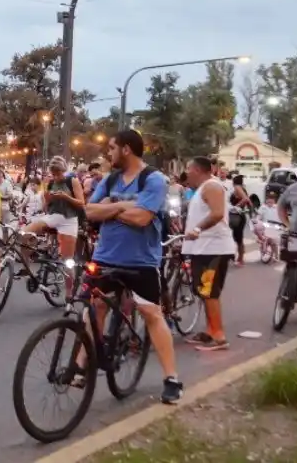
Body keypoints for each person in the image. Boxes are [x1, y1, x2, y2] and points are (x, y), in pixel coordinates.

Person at [84, 129, 183, 404]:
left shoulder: (153, 179)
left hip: (141, 261)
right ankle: (81, 364)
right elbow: (89, 211)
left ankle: (171, 378)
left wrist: (111, 207)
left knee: (151, 312)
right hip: (105, 255)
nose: (108, 153)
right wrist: (124, 205)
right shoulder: (110, 178)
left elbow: (142, 219)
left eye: (112, 147)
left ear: (126, 149)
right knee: (95, 307)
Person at [182, 157, 235, 351]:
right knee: (205, 291)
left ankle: (219, 337)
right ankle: (210, 331)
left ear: (197, 169)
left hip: (213, 249)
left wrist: (197, 228)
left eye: (188, 169)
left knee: (209, 292)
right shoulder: (202, 189)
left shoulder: (212, 186)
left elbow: (217, 213)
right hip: (203, 249)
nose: (186, 173)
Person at [19, 156, 85, 298]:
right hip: (53, 216)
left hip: (69, 219)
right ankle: (27, 267)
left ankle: (69, 294)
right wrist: (47, 198)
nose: (56, 177)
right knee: (24, 233)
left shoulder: (72, 181)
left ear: (64, 171)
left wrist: (66, 197)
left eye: (58, 174)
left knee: (68, 261)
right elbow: (45, 207)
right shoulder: (50, 183)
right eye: (53, 174)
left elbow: (81, 203)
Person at [228, 173, 251, 266]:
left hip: (236, 216)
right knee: (237, 237)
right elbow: (248, 201)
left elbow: (245, 199)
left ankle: (240, 258)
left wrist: (235, 207)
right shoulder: (242, 188)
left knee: (237, 238)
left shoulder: (237, 187)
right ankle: (238, 257)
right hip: (240, 215)